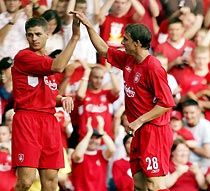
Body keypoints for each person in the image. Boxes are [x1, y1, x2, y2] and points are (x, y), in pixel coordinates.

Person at [73, 10, 175, 191]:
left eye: (126, 39)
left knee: (154, 184)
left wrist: (139, 121)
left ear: (137, 43)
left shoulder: (153, 67)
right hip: (138, 130)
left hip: (154, 131)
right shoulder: (129, 59)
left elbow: (165, 103)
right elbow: (104, 50)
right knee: (139, 183)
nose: (122, 42)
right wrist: (89, 26)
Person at [11, 15, 81, 191]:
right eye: (30, 34)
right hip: (28, 119)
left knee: (51, 183)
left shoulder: (47, 64)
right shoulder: (24, 57)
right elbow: (59, 67)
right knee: (25, 182)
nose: (34, 38)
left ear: (47, 34)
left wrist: (62, 98)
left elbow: (51, 95)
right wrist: (74, 37)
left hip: (49, 121)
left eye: (38, 34)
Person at [71, 116, 116, 191]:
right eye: (92, 137)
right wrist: (88, 134)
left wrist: (102, 132)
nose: (94, 140)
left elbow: (112, 149)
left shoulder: (101, 154)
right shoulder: (80, 153)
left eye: (97, 138)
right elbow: (77, 155)